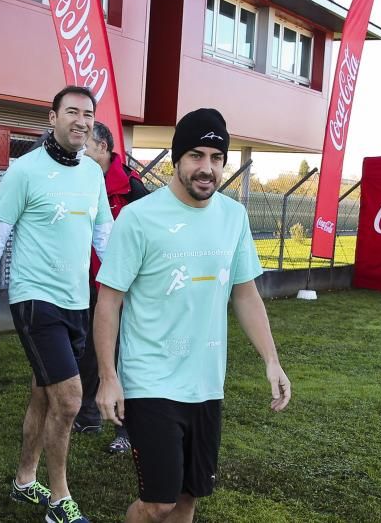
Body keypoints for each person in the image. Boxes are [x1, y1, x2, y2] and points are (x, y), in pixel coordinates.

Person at [94, 108, 291, 523]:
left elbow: (245, 293)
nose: (207, 168)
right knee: (158, 502)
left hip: (206, 383)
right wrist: (109, 379)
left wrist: (271, 360)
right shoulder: (139, 218)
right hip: (151, 381)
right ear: (176, 159)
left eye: (216, 158)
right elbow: (109, 301)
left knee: (188, 499)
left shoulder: (232, 216)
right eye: (196, 156)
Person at [0, 86, 113, 523]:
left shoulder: (92, 174)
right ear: (52, 118)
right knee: (70, 399)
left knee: (43, 393)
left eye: (88, 114)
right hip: (35, 300)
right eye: (72, 112)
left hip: (76, 302)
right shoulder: (25, 171)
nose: (81, 121)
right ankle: (58, 500)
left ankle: (23, 481)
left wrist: (125, 286)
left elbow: (105, 236)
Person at [74, 121, 148, 454]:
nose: (80, 151)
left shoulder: (132, 189)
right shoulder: (78, 180)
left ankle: (128, 429)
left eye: (86, 145)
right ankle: (87, 413)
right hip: (89, 283)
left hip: (126, 288)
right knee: (91, 350)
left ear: (103, 148)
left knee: (126, 357)